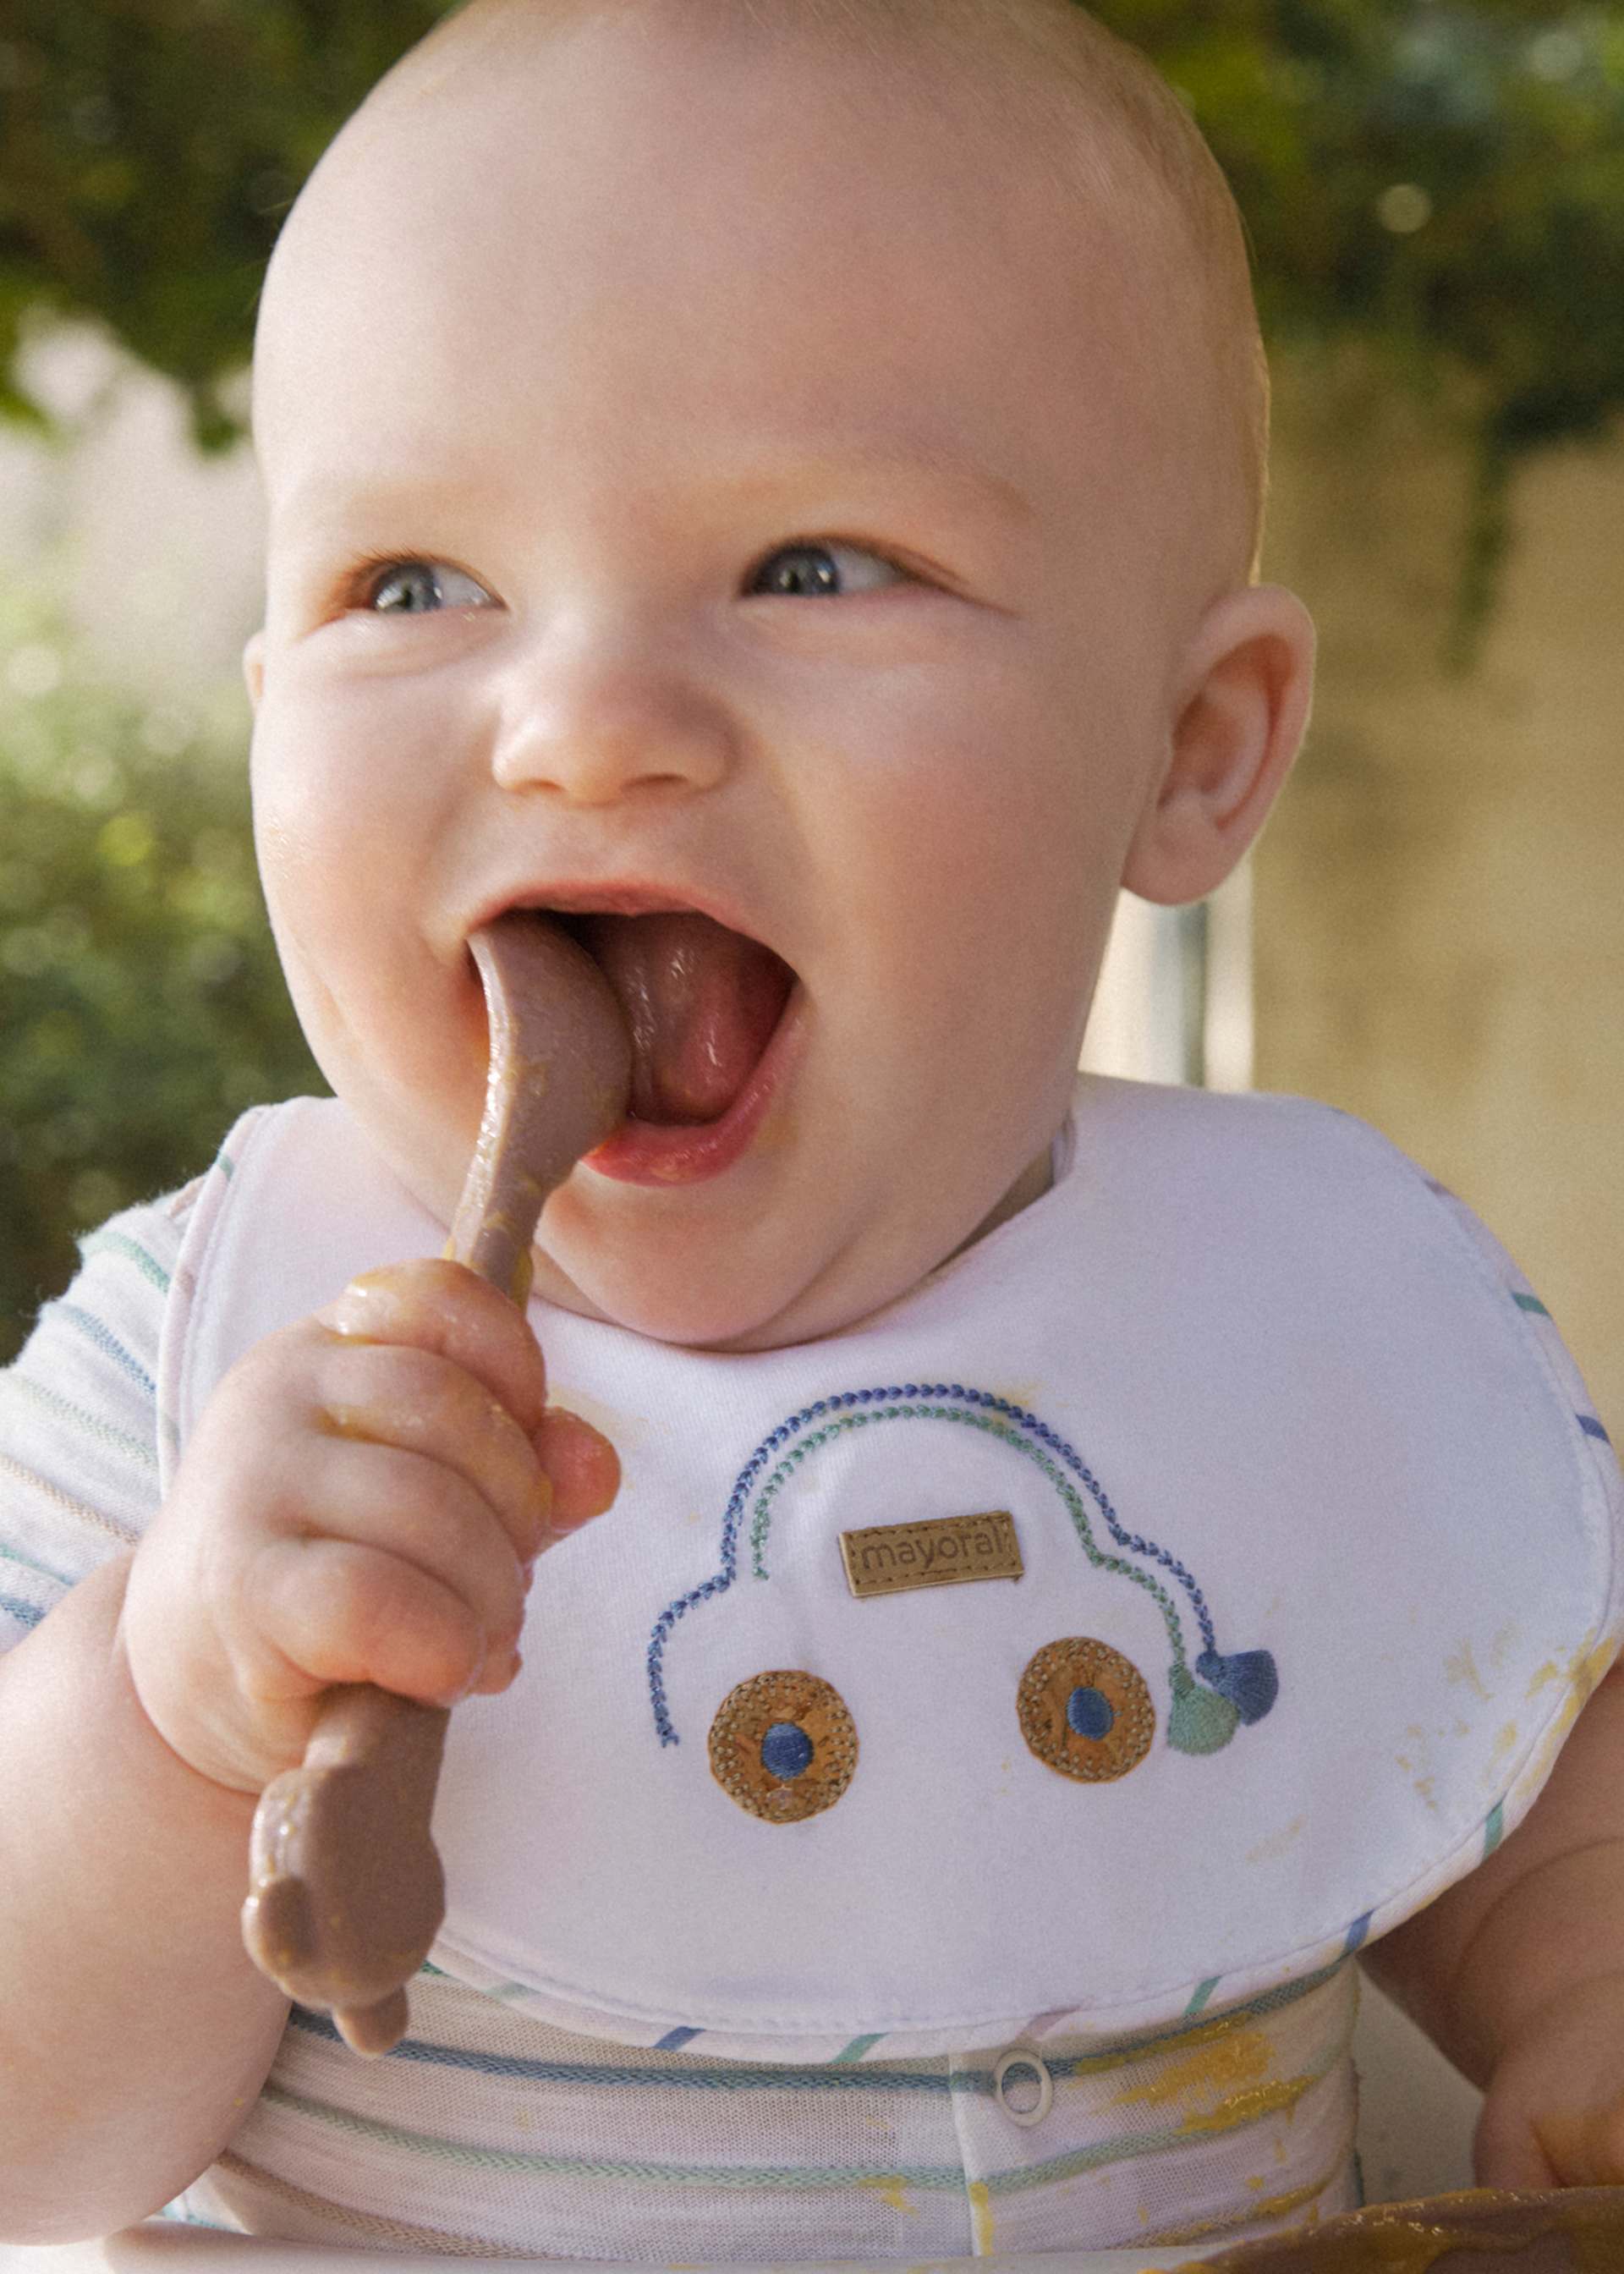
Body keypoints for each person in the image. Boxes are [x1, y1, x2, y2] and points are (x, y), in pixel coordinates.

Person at [2, 0, 1621, 2257]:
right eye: (414, 586)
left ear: (1190, 751)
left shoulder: (1300, 1326)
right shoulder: (191, 1378)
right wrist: (176, 1715)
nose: (581, 726)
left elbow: (1506, 1759)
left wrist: (1580, 2000)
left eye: (815, 566)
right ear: (265, 706)